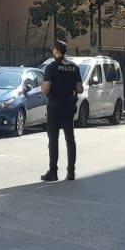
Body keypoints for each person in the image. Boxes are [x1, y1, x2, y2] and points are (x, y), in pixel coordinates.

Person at [40, 38, 83, 182]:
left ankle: (53, 172)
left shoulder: (51, 67)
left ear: (56, 51)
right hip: (68, 106)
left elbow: (46, 89)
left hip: (55, 106)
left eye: (53, 49)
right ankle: (71, 172)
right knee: (70, 139)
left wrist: (44, 88)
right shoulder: (74, 67)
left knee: (53, 140)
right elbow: (80, 88)